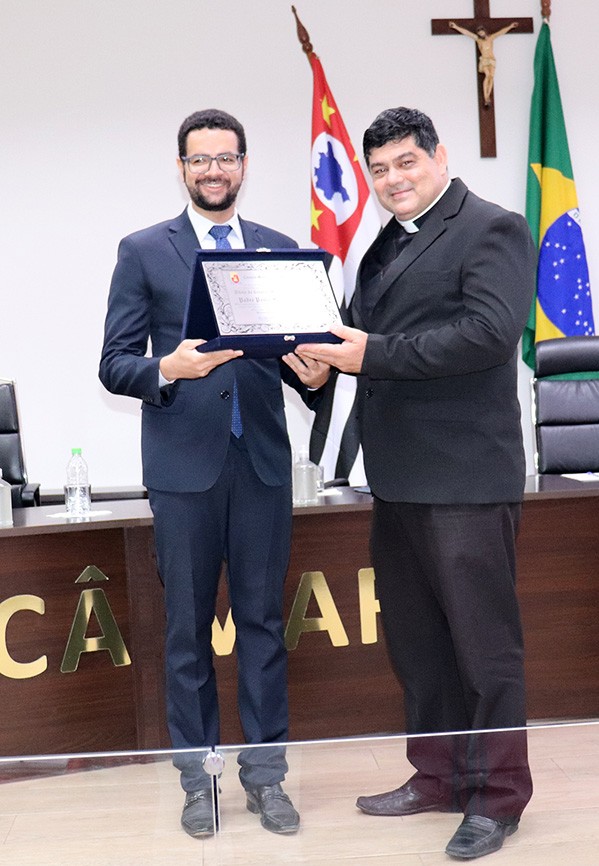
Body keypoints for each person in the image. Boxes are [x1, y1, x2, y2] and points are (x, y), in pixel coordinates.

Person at [295, 107, 535, 860]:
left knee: (484, 649)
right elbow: (352, 339)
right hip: (396, 478)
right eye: (379, 170)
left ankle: (497, 798)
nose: (392, 179)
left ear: (438, 157)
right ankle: (438, 777)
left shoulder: (492, 228)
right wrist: (311, 365)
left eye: (406, 162)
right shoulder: (384, 242)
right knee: (419, 644)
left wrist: (368, 353)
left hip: (465, 476)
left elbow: (489, 334)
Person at [99, 109, 329, 839]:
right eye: (199, 160)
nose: (213, 171)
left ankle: (266, 777)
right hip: (183, 472)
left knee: (263, 625)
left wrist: (315, 376)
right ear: (181, 168)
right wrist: (167, 368)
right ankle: (197, 781)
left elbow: (298, 363)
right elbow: (114, 364)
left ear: (243, 165)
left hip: (261, 467)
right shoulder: (144, 250)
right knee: (187, 634)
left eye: (225, 158)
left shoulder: (279, 251)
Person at [449, 20, 518, 105]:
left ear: (484, 31)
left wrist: (510, 27)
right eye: (479, 33)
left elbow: (501, 32)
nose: (481, 34)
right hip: (484, 60)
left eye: (482, 32)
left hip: (492, 59)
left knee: (491, 77)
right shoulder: (478, 40)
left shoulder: (491, 38)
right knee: (487, 75)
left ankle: (488, 96)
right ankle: (486, 96)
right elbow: (467, 33)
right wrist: (456, 27)